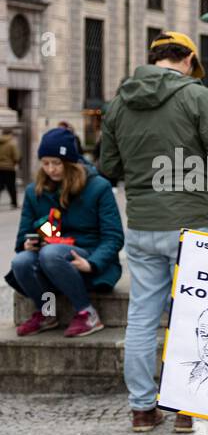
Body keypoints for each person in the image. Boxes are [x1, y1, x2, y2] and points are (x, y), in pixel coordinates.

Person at [97, 29, 208, 433]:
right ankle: (187, 408)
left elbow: (108, 168)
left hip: (141, 224)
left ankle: (141, 408)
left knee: (141, 316)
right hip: (190, 222)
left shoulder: (119, 103)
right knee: (192, 313)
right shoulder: (198, 96)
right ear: (188, 60)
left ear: (152, 58)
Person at [10, 127, 123, 337]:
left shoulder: (99, 187)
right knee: (22, 261)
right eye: (45, 163)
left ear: (70, 162)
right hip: (50, 258)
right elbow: (23, 235)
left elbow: (114, 237)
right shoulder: (34, 192)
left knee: (50, 253)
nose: (51, 169)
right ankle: (47, 313)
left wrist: (92, 263)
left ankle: (87, 313)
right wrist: (26, 245)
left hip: (87, 256)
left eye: (56, 163)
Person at [0, 128, 19, 208]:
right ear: (10, 134)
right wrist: (14, 163)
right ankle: (14, 203)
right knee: (11, 186)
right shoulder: (12, 144)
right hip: (9, 168)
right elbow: (16, 156)